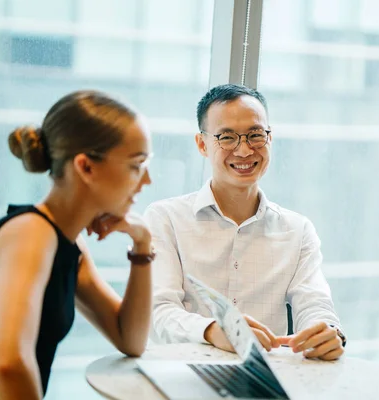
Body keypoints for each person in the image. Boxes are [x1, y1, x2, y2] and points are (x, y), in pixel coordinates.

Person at [0, 90, 155, 399]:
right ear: (86, 167)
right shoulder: (30, 235)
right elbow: (10, 364)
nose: (147, 181)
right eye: (136, 165)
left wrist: (143, 243)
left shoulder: (66, 243)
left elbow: (130, 339)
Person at [144, 84, 346, 361]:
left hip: (263, 382)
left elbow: (315, 303)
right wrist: (214, 331)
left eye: (255, 135)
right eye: (227, 138)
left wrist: (325, 333)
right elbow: (158, 311)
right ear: (202, 144)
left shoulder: (297, 230)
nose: (244, 150)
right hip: (181, 379)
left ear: (269, 138)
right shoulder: (165, 218)